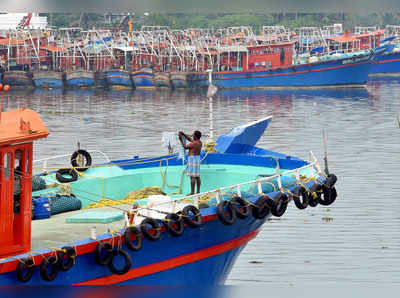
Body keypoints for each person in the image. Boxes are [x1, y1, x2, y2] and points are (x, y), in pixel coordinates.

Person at [179, 130, 202, 195]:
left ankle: (192, 192)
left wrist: (181, 139)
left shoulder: (194, 143)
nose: (192, 136)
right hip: (197, 159)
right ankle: (198, 191)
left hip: (192, 159)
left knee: (192, 177)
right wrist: (184, 134)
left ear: (196, 136)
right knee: (197, 176)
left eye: (193, 135)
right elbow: (189, 139)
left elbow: (185, 147)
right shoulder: (199, 142)